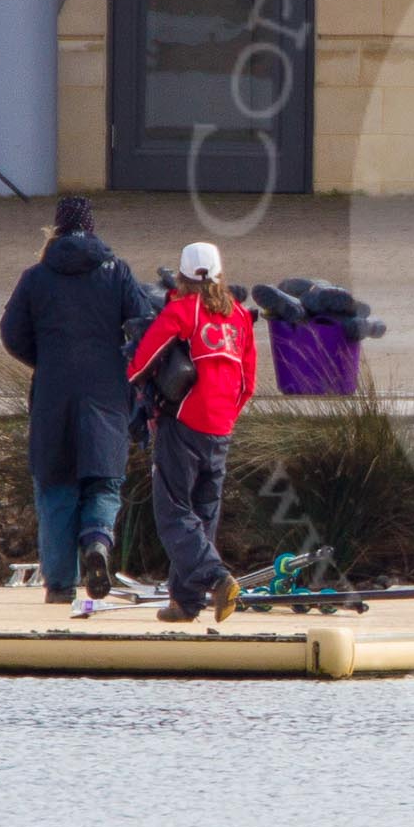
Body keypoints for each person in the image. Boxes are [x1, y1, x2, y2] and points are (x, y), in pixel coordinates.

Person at [0, 196, 154, 604]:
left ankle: (60, 585)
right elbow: (143, 326)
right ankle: (97, 542)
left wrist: (45, 359)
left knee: (56, 487)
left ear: (56, 230)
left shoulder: (36, 276)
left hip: (53, 396)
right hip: (106, 395)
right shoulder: (116, 271)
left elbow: (11, 333)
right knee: (104, 482)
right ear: (92, 227)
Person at [126, 241, 258, 624]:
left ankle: (217, 579)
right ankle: (186, 603)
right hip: (222, 427)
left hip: (183, 423)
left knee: (172, 512)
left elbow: (140, 365)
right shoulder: (239, 317)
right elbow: (248, 383)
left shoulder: (181, 311)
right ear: (220, 274)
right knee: (203, 513)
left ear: (182, 277)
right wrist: (226, 418)